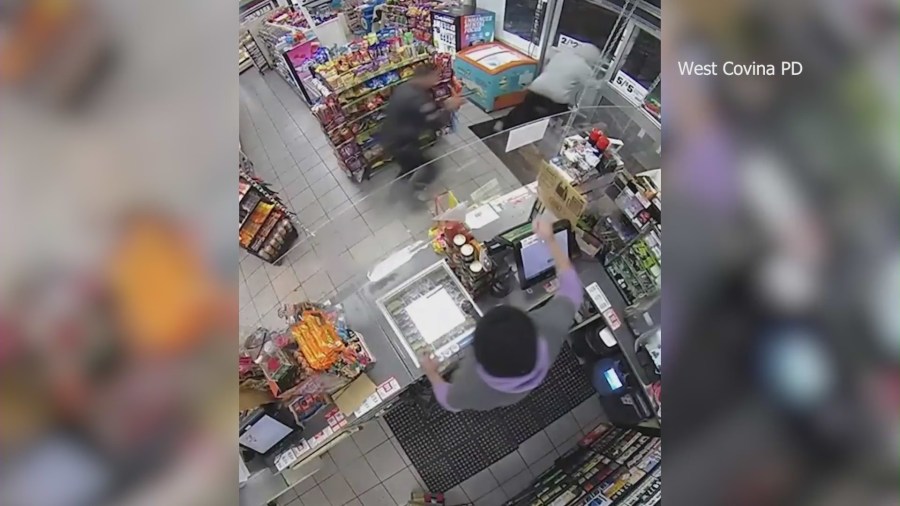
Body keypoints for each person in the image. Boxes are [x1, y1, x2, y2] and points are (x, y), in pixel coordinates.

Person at [420, 218, 584, 411]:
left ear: (476, 356)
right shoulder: (551, 329)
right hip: (518, 392)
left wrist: (432, 373)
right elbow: (572, 290)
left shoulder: (471, 386)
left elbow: (448, 401)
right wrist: (551, 240)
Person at [380, 64, 463, 199]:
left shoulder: (404, 87)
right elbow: (436, 122)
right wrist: (449, 108)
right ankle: (411, 196)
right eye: (435, 76)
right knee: (431, 168)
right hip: (403, 144)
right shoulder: (417, 98)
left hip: (392, 138)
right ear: (426, 77)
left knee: (408, 169)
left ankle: (395, 196)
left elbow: (420, 114)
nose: (436, 80)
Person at [496, 43, 602, 131]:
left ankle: (503, 123)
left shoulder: (562, 55)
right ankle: (546, 132)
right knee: (552, 116)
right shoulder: (584, 67)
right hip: (556, 99)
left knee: (525, 108)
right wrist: (602, 82)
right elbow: (592, 84)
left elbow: (549, 57)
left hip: (536, 88)